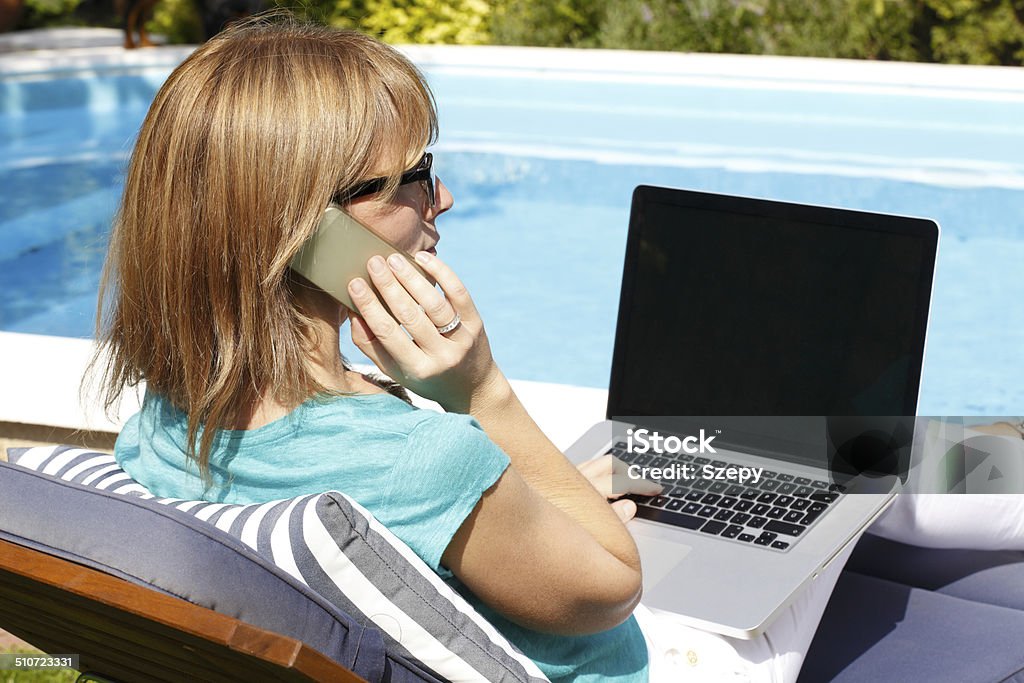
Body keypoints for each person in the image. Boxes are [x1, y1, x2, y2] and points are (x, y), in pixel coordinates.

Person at [95, 17, 1024, 683]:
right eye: (412, 178)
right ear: (299, 229)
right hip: (676, 655)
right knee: (866, 474)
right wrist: (482, 391)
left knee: (810, 467)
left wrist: (554, 486)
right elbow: (613, 586)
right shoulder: (426, 452)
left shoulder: (171, 423)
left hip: (530, 569)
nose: (442, 199)